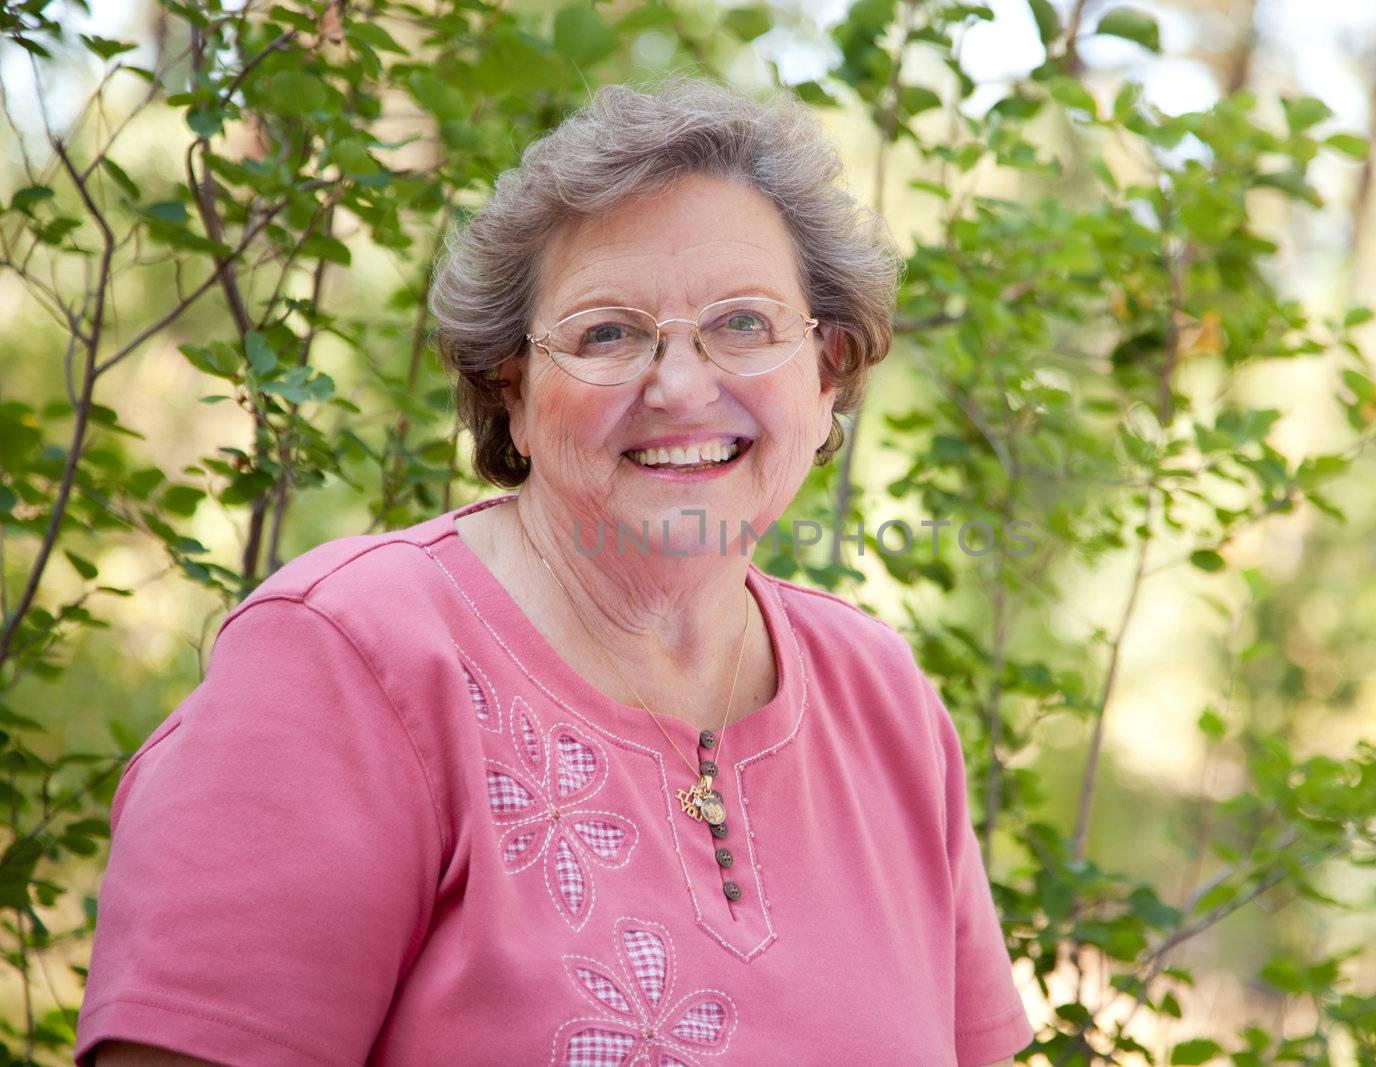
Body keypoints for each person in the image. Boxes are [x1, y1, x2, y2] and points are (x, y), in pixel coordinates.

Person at [75, 76, 1034, 1067]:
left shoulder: (880, 695)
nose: (682, 384)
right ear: (515, 393)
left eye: (744, 323)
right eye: (607, 333)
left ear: (825, 370)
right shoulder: (346, 660)